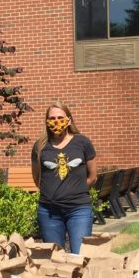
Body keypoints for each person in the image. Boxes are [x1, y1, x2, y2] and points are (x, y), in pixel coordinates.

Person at [32, 101, 97, 254]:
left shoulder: (82, 142)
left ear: (68, 120)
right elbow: (37, 178)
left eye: (60, 117)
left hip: (78, 210)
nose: (56, 121)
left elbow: (92, 177)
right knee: (55, 260)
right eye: (52, 118)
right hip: (49, 212)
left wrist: (74, 190)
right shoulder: (40, 146)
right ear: (47, 122)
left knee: (81, 256)